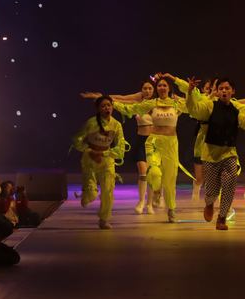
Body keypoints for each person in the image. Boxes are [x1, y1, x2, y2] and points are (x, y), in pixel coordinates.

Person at [186, 77, 245, 230]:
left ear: (233, 91)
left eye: (227, 88)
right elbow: (194, 110)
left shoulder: (236, 108)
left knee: (229, 185)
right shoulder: (210, 105)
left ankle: (222, 217)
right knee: (212, 191)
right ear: (217, 92)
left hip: (229, 154)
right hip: (211, 155)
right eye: (221, 88)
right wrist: (190, 92)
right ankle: (209, 203)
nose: (224, 91)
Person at [112, 76, 187, 223]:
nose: (162, 88)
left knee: (170, 179)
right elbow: (130, 108)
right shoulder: (152, 103)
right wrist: (112, 103)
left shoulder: (176, 104)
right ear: (156, 89)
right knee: (154, 172)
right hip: (153, 142)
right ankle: (157, 191)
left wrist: (188, 88)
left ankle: (171, 209)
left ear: (169, 88)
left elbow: (194, 106)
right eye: (159, 85)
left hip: (171, 143)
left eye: (165, 85)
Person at [82, 79, 158, 214]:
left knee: (152, 173)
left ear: (154, 90)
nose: (147, 91)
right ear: (141, 90)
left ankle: (150, 203)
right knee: (143, 172)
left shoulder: (159, 104)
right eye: (144, 88)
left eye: (150, 88)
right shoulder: (136, 103)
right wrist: (102, 97)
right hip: (141, 141)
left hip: (155, 142)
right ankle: (141, 202)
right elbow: (120, 99)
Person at [72, 95, 126, 229]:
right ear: (98, 109)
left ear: (112, 107)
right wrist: (87, 149)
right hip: (90, 160)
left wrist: (104, 153)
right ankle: (87, 194)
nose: (107, 108)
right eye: (103, 106)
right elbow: (77, 139)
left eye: (109, 105)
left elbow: (121, 149)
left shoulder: (116, 125)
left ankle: (104, 219)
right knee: (92, 194)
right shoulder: (91, 123)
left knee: (108, 191)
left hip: (107, 161)